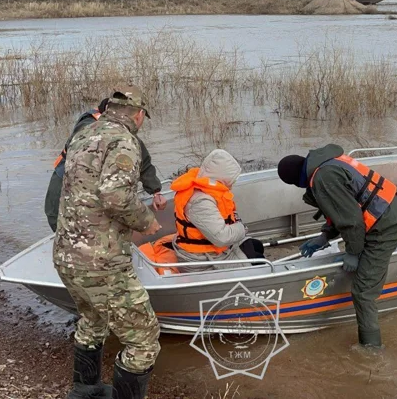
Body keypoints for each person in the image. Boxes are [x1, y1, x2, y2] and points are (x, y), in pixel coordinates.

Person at [54, 85, 162, 399]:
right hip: (101, 262)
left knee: (93, 318)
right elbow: (116, 197)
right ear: (139, 116)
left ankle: (85, 391)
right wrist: (146, 221)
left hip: (66, 253)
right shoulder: (125, 140)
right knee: (143, 340)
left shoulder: (84, 134)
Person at [277, 144, 397, 348]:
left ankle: (371, 349)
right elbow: (344, 208)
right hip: (391, 210)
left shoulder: (322, 179)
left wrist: (353, 253)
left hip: (387, 225)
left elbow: (352, 221)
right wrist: (325, 236)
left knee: (363, 291)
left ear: (296, 182)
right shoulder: (326, 164)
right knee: (361, 281)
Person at [44, 98, 166, 232]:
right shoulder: (89, 127)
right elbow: (115, 196)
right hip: (62, 190)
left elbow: (143, 160)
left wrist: (156, 191)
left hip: (86, 197)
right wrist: (146, 222)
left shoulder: (122, 134)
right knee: (66, 228)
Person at [170, 149, 265, 273]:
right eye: (231, 180)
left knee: (256, 245)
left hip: (214, 249)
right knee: (261, 265)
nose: (232, 184)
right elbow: (222, 238)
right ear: (221, 177)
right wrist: (242, 228)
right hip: (204, 259)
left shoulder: (207, 191)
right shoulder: (200, 202)